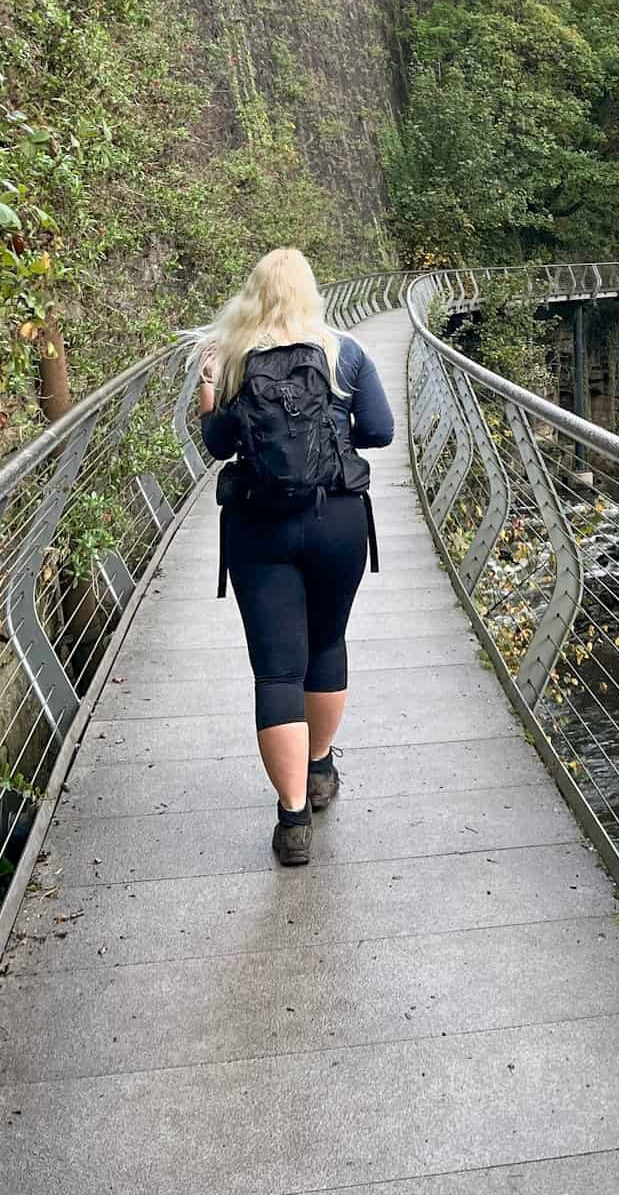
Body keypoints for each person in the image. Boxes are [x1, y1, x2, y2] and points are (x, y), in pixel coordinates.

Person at [197, 248, 394, 866]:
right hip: (336, 518)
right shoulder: (345, 353)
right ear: (312, 293)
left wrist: (209, 393)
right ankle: (320, 768)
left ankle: (292, 820)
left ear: (253, 293)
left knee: (277, 672)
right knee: (327, 645)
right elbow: (382, 430)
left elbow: (216, 444)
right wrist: (331, 437)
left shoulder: (229, 356)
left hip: (260, 524)